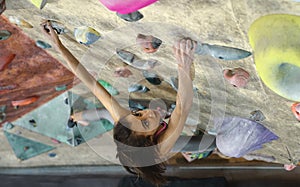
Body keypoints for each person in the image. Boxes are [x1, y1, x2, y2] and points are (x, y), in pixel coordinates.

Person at [41, 20, 196, 185]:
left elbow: (89, 82)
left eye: (138, 114)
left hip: (131, 144)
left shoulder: (124, 120)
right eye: (145, 123)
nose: (147, 112)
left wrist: (58, 46)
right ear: (150, 139)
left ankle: (77, 117)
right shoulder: (160, 147)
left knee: (106, 112)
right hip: (153, 152)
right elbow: (183, 108)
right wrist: (184, 64)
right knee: (199, 144)